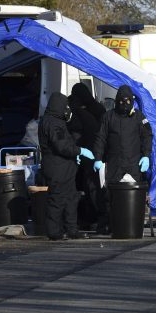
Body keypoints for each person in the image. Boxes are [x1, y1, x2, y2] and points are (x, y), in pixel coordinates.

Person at [92, 85, 153, 235]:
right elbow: (100, 138)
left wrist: (146, 155)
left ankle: (133, 223)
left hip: (134, 163)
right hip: (114, 163)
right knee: (110, 196)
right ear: (116, 101)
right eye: (121, 102)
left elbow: (147, 137)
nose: (124, 105)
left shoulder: (139, 117)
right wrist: (98, 158)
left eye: (127, 101)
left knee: (134, 194)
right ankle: (111, 224)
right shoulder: (108, 117)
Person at [39, 92, 94, 241]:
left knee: (71, 198)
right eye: (65, 106)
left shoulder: (55, 121)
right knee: (57, 199)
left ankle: (72, 229)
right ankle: (54, 231)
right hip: (57, 167)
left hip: (64, 167)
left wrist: (74, 154)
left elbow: (65, 143)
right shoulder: (53, 123)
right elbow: (61, 146)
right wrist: (80, 151)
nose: (67, 109)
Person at [67, 83, 106, 231]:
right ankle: (98, 218)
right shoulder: (97, 108)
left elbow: (76, 133)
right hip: (95, 153)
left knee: (89, 187)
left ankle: (89, 218)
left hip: (85, 153)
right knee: (95, 187)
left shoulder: (77, 110)